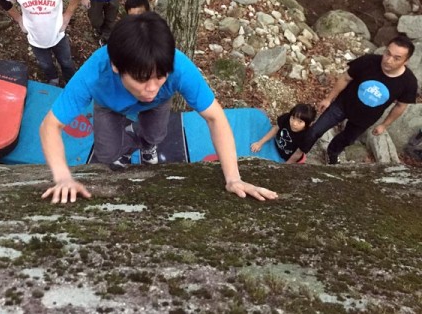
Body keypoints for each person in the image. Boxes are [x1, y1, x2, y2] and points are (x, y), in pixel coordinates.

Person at [39, 12, 278, 204]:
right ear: (115, 66)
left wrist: (234, 179)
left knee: (155, 136)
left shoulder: (178, 66)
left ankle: (144, 143)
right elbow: (50, 125)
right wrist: (62, 178)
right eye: (142, 79)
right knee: (107, 154)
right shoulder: (95, 71)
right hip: (108, 105)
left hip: (158, 106)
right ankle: (125, 145)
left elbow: (216, 118)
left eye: (160, 77)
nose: (151, 87)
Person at [300, 35, 418, 164]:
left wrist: (384, 125)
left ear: (406, 60)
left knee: (346, 139)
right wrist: (328, 99)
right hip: (343, 104)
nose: (388, 60)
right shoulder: (368, 61)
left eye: (397, 58)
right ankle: (299, 154)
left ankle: (332, 153)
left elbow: (401, 106)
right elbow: (345, 78)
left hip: (364, 118)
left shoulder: (409, 82)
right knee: (315, 131)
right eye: (387, 53)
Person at [0, 0, 81, 86]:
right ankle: (53, 79)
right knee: (45, 64)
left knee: (66, 62)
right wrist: (18, 19)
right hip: (35, 37)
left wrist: (67, 15)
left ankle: (71, 82)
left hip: (58, 34)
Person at [250, 103, 317, 163]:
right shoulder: (286, 118)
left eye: (300, 121)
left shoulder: (308, 137)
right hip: (277, 145)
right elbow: (275, 129)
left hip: (288, 158)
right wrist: (260, 143)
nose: (294, 123)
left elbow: (297, 153)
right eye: (293, 118)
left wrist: (285, 166)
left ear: (308, 124)